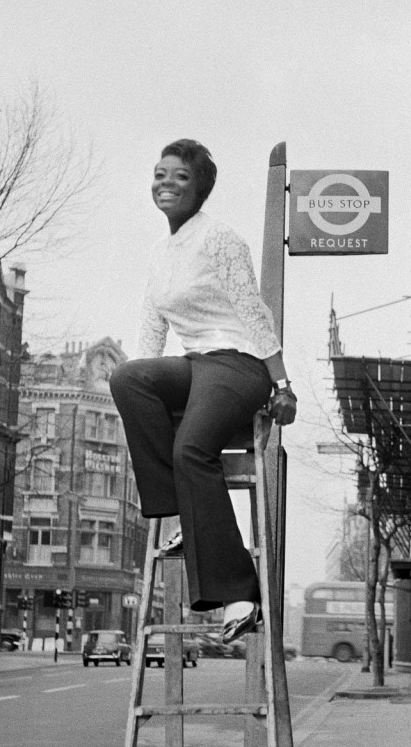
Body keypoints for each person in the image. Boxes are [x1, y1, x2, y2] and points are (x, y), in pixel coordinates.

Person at [110, 139, 296, 644]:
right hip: (196, 365)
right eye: (159, 174)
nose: (165, 184)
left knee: (192, 448)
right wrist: (141, 376)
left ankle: (240, 593)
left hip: (239, 364)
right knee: (128, 377)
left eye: (179, 177)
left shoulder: (220, 239)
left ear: (200, 188)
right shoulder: (158, 254)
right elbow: (151, 331)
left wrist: (282, 382)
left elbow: (254, 311)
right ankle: (183, 516)